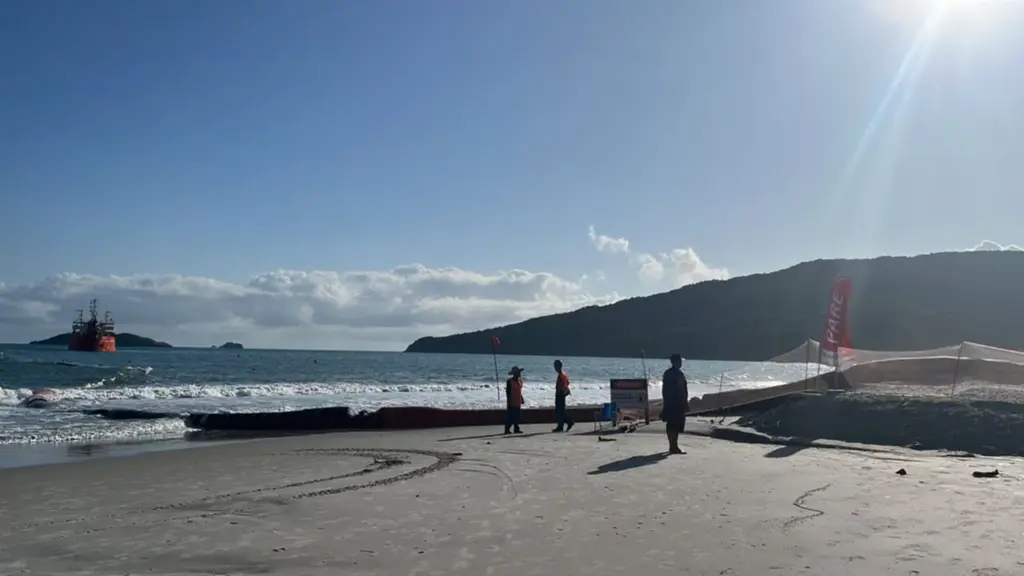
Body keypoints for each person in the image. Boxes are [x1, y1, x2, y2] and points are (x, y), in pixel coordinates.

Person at [660, 353, 689, 454]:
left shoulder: (680, 373)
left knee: (677, 424)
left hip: (680, 402)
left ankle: (674, 445)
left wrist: (685, 401)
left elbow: (684, 389)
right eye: (679, 361)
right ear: (674, 362)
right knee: (672, 424)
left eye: (681, 361)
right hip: (673, 402)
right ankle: (673, 446)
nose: (680, 363)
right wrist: (667, 402)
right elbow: (665, 390)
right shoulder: (669, 374)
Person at [552, 359, 575, 432]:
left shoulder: (560, 375)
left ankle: (567, 423)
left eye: (556, 366)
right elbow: (568, 382)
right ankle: (561, 425)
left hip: (560, 395)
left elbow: (561, 385)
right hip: (563, 394)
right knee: (561, 411)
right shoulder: (563, 374)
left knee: (559, 411)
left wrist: (560, 392)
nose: (555, 368)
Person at [505, 366, 525, 434]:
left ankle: (516, 429)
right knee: (511, 417)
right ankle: (507, 429)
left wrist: (521, 398)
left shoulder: (519, 381)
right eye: (518, 372)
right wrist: (509, 401)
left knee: (517, 416)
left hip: (517, 402)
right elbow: (508, 392)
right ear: (515, 373)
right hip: (512, 402)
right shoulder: (509, 381)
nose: (520, 374)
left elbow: (519, 391)